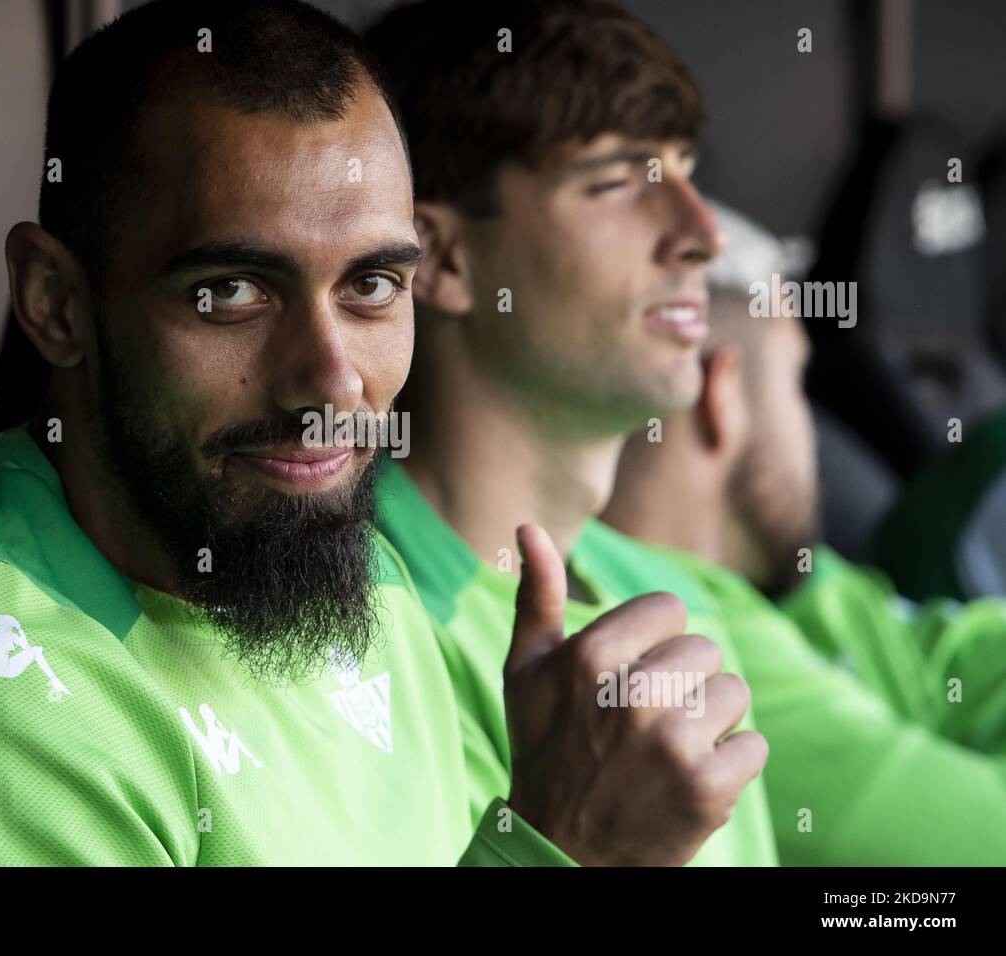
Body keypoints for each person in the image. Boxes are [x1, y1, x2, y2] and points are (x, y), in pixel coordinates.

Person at [0, 0, 759, 867]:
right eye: (232, 291)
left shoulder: (344, 566)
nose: (331, 381)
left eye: (370, 286)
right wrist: (566, 843)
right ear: (56, 303)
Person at [366, 0, 1006, 864]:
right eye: (621, 183)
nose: (703, 236)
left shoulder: (668, 589)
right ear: (440, 260)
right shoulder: (341, 617)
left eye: (686, 172)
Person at [603, 200, 1006, 765]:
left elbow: (953, 656)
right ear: (722, 397)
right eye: (796, 381)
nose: (815, 436)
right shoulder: (699, 672)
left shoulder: (806, 577)